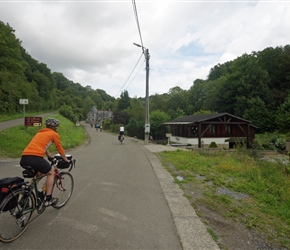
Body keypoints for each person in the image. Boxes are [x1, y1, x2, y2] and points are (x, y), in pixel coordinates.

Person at [20, 118, 69, 207]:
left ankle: (25, 196)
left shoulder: (40, 133)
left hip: (24, 157)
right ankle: (48, 199)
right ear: (55, 128)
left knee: (39, 174)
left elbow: (43, 146)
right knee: (50, 173)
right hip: (35, 158)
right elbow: (60, 149)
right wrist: (65, 159)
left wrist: (49, 156)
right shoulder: (54, 134)